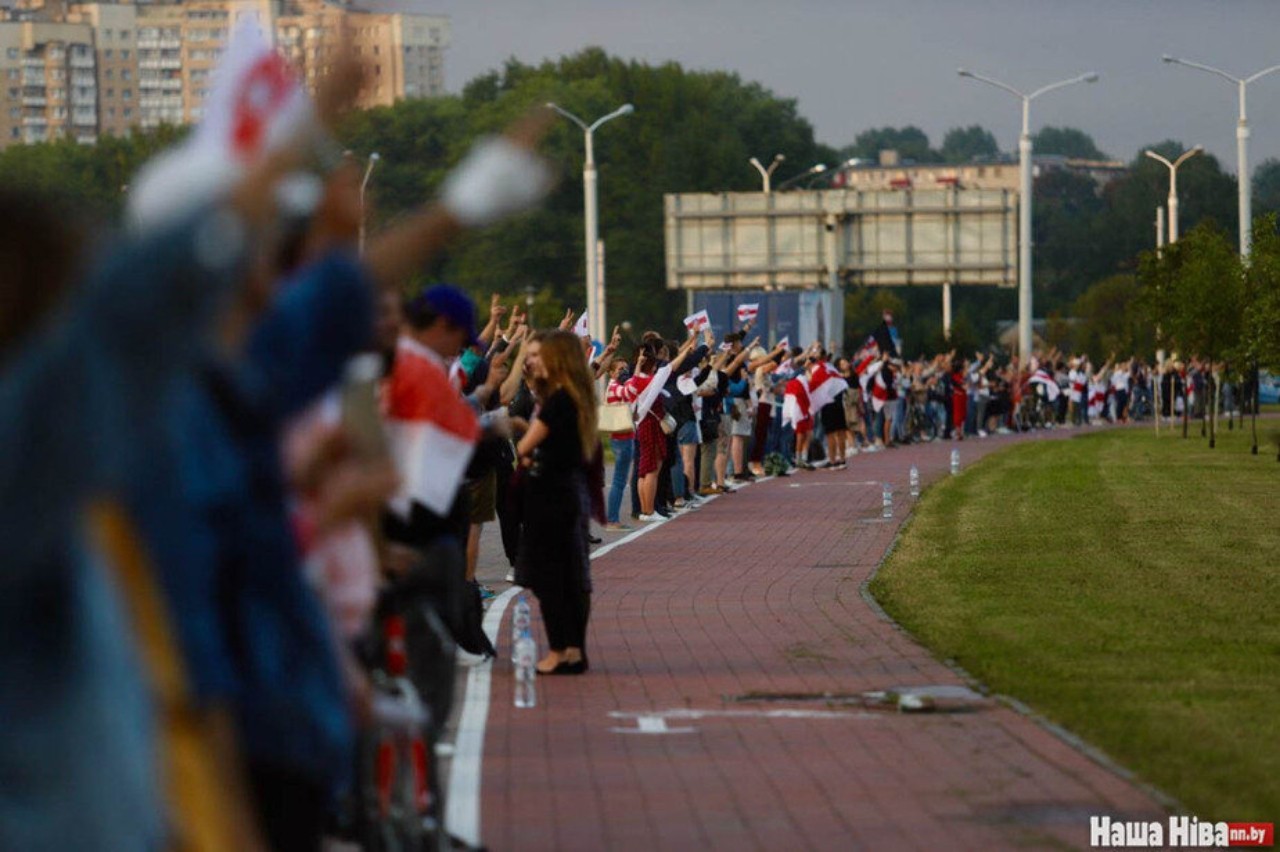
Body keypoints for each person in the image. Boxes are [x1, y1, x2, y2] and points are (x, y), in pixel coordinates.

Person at [514, 331, 598, 674]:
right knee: (570, 574)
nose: (532, 361)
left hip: (550, 497)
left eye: (538, 355)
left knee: (551, 577)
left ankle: (559, 649)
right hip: (567, 494)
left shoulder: (557, 401)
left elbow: (524, 447)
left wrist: (521, 437)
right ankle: (573, 649)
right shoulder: (577, 396)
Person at [603, 358, 636, 530]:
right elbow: (630, 392)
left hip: (623, 434)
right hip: (622, 437)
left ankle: (613, 518)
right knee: (618, 480)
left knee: (620, 480)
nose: (624, 371)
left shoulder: (615, 385)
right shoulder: (615, 386)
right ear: (611, 372)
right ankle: (613, 519)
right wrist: (631, 376)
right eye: (620, 369)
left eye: (626, 368)